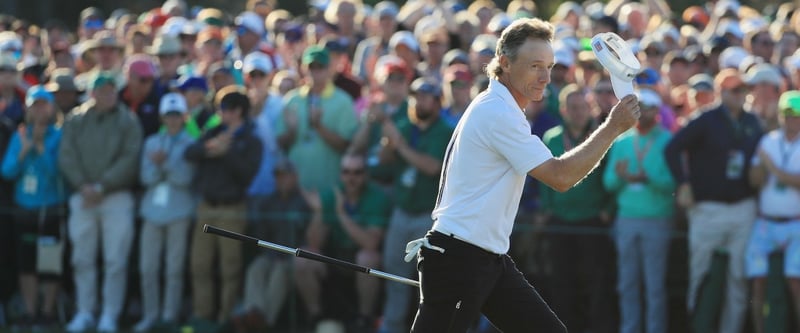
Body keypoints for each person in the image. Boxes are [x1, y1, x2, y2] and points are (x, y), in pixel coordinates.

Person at [405, 18, 640, 332]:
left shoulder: (503, 107)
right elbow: (560, 177)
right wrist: (612, 128)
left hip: (486, 258)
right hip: (458, 259)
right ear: (504, 63)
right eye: (535, 66)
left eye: (549, 66)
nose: (545, 77)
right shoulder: (497, 112)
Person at [664, 68, 764, 333]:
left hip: (743, 209)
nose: (741, 94)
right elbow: (672, 149)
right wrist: (683, 183)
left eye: (744, 89)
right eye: (734, 90)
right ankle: (698, 327)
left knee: (738, 281)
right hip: (708, 209)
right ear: (721, 92)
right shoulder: (706, 119)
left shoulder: (753, 122)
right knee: (701, 276)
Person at [59, 74, 143, 333]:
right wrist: (83, 185)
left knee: (115, 261)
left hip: (116, 197)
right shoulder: (76, 119)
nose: (108, 95)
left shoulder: (128, 120)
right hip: (82, 197)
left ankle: (109, 315)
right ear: (93, 93)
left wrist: (102, 185)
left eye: (112, 91)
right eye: (103, 91)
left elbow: (130, 158)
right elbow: (67, 154)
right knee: (82, 259)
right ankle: (85, 312)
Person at [184, 86, 262, 327]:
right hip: (207, 207)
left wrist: (226, 153)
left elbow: (246, 174)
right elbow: (190, 152)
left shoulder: (251, 139)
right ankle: (202, 315)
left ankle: (226, 317)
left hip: (232, 208)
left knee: (230, 267)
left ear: (238, 111)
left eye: (224, 109)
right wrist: (211, 148)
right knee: (199, 264)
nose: (220, 113)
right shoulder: (213, 132)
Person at [602, 88, 676, 333]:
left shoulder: (668, 141)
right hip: (626, 220)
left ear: (657, 111)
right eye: (639, 107)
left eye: (648, 107)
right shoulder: (622, 141)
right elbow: (609, 182)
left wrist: (648, 177)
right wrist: (624, 177)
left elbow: (672, 184)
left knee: (654, 285)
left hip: (657, 220)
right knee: (627, 284)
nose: (643, 112)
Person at [295, 153, 392, 332]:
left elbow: (370, 243)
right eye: (346, 172)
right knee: (302, 258)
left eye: (357, 172)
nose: (351, 178)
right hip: (334, 258)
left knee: (367, 258)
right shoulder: (331, 194)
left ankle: (364, 319)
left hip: (362, 261)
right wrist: (318, 212)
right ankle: (316, 318)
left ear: (366, 175)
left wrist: (341, 214)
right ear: (340, 174)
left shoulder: (377, 198)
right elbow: (314, 243)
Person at [1, 86, 66, 329]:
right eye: (34, 105)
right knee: (27, 264)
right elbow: (7, 172)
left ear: (51, 108)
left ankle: (47, 312)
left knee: (50, 264)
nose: (39, 110)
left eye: (43, 105)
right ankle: (30, 311)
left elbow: (60, 174)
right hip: (24, 209)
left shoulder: (58, 136)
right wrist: (24, 151)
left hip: (50, 209)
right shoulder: (20, 136)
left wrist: (40, 150)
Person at [133, 93, 196, 332]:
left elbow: (186, 178)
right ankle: (150, 315)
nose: (173, 119)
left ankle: (169, 316)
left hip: (179, 211)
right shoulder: (151, 142)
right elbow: (145, 177)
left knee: (174, 268)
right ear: (162, 117)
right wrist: (161, 167)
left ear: (184, 117)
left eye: (177, 115)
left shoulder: (190, 143)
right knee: (148, 267)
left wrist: (165, 163)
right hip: (152, 211)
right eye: (169, 115)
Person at [745, 90, 800, 333]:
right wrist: (764, 170)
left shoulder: (771, 152)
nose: (793, 119)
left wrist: (773, 169)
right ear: (780, 115)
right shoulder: (768, 141)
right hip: (766, 223)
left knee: (795, 282)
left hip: (795, 225)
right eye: (788, 113)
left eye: (797, 114)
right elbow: (754, 180)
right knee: (758, 282)